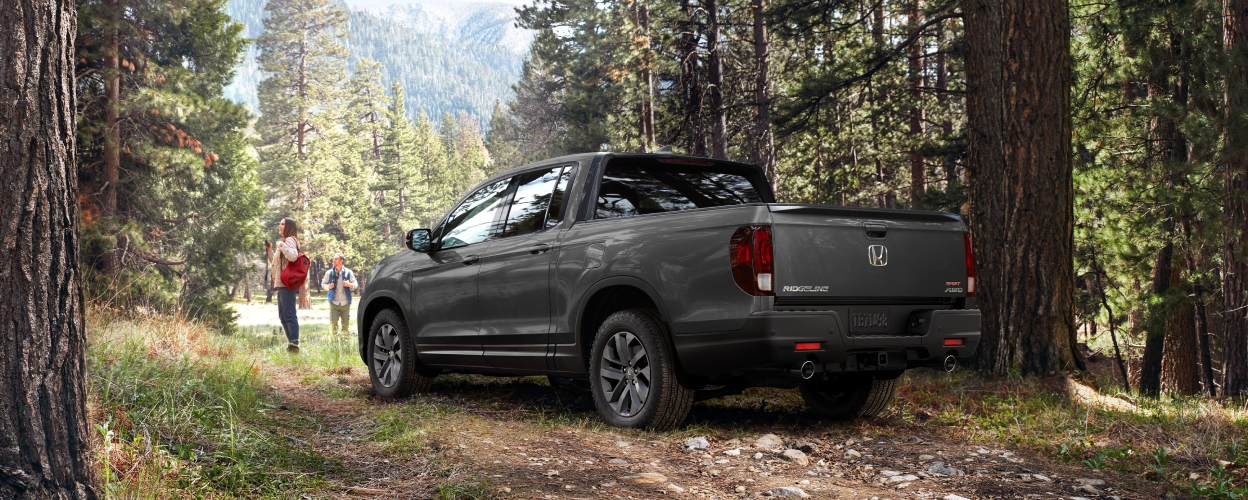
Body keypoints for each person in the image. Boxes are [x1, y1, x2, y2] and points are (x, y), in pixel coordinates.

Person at [266, 218, 301, 351]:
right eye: (279, 223)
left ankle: (294, 344)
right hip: (281, 283)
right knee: (283, 315)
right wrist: (270, 250)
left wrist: (281, 245)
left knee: (289, 313)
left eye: (282, 224)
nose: (279, 226)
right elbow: (275, 262)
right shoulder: (283, 241)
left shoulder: (290, 240)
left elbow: (293, 257)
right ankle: (291, 343)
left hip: (287, 284)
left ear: (289, 226)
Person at [320, 253, 358, 336]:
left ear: (341, 261)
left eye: (336, 259)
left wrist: (349, 284)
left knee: (345, 325)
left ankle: (345, 343)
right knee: (333, 324)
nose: (333, 260)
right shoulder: (329, 273)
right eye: (333, 259)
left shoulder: (349, 272)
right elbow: (323, 284)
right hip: (334, 302)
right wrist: (328, 287)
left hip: (345, 302)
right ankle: (335, 344)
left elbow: (355, 284)